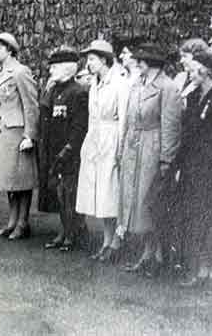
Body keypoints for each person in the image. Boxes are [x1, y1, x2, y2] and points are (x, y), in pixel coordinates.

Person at [173, 51, 212, 291]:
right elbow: (187, 136)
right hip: (192, 167)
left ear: (206, 71)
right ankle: (199, 271)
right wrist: (180, 166)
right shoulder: (192, 98)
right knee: (196, 218)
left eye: (194, 68)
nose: (190, 72)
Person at [118, 43, 182, 278]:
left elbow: (170, 125)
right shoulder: (137, 84)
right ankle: (146, 254)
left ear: (151, 64)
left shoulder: (168, 88)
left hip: (152, 149)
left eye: (142, 60)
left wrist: (166, 159)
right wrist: (123, 145)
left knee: (149, 202)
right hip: (134, 147)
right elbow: (128, 118)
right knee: (135, 202)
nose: (138, 63)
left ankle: (155, 256)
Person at [75, 39, 128, 262]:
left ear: (105, 60)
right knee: (101, 193)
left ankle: (116, 241)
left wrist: (120, 148)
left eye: (93, 59)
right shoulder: (95, 84)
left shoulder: (119, 83)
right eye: (88, 59)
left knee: (111, 190)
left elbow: (124, 117)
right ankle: (107, 240)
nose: (89, 63)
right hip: (96, 138)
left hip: (112, 137)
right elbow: (91, 116)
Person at [0, 32, 39, 240]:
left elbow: (31, 105)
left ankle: (23, 222)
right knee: (8, 180)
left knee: (20, 180)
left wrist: (30, 135)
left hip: (15, 133)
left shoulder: (20, 72)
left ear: (10, 50)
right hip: (0, 133)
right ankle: (11, 221)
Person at [38, 46, 88, 251]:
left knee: (70, 193)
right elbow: (44, 113)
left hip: (70, 152)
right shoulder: (54, 91)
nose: (51, 71)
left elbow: (80, 126)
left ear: (68, 68)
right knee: (59, 194)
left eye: (55, 67)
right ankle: (64, 229)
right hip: (53, 149)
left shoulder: (78, 92)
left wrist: (69, 149)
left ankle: (73, 232)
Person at [175, 38, 210, 109]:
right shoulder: (180, 77)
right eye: (181, 57)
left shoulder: (205, 81)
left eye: (185, 56)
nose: (181, 61)